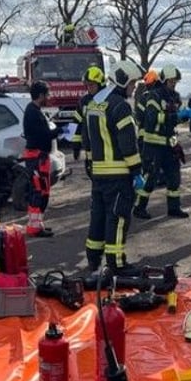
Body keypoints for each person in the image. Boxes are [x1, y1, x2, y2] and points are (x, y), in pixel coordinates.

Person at [77, 59, 145, 274]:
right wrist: (136, 171)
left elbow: (87, 138)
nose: (134, 88)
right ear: (123, 81)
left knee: (98, 216)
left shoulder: (95, 104)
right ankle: (116, 263)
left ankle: (93, 258)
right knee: (118, 218)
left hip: (98, 173)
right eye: (133, 83)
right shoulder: (120, 106)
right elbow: (128, 143)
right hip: (119, 174)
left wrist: (90, 162)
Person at [133, 64, 188, 219]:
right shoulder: (154, 96)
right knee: (150, 178)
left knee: (174, 177)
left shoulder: (175, 97)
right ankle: (139, 207)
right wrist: (175, 117)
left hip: (170, 144)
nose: (173, 84)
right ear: (164, 80)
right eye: (171, 81)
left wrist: (183, 116)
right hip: (153, 145)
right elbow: (151, 119)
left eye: (175, 82)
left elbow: (173, 118)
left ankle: (174, 208)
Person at [21, 80, 58, 237]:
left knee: (42, 191)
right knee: (38, 192)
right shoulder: (33, 112)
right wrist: (58, 130)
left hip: (39, 157)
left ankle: (38, 224)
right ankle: (34, 227)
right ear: (41, 95)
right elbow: (44, 134)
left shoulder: (34, 110)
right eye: (47, 94)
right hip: (36, 157)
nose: (48, 98)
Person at [70, 66, 105, 160]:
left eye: (92, 85)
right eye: (88, 85)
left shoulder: (108, 100)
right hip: (89, 149)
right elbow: (76, 123)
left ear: (100, 84)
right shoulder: (84, 101)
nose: (89, 88)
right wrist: (75, 145)